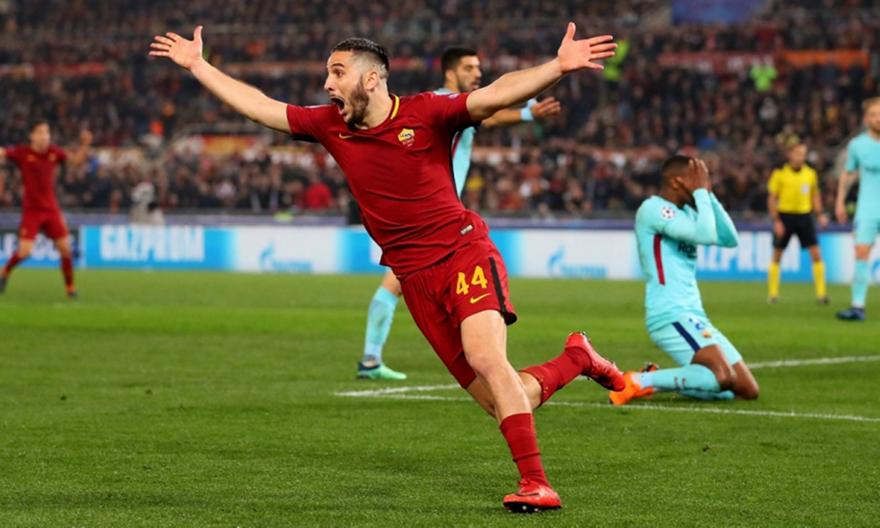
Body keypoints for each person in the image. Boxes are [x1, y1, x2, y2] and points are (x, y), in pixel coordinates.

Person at [150, 23, 623, 512]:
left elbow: (495, 94)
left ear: (372, 79)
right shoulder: (328, 125)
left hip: (462, 252)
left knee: (485, 356)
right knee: (501, 397)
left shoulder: (427, 112)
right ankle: (577, 358)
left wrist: (557, 66)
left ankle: (536, 484)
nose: (328, 84)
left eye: (338, 73)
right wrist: (199, 65)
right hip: (413, 278)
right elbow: (261, 106)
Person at [358, 46, 562, 381]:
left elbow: (488, 115)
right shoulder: (441, 102)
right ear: (450, 73)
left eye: (479, 67)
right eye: (469, 68)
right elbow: (490, 113)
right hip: (427, 218)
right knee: (395, 284)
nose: (477, 73)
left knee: (397, 283)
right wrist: (528, 114)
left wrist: (527, 114)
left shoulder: (451, 105)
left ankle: (373, 358)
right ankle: (371, 358)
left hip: (432, 216)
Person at [611, 156, 759, 405]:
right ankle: (637, 381)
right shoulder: (654, 209)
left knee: (746, 389)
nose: (702, 184)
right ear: (676, 182)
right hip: (670, 313)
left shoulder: (688, 212)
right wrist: (701, 193)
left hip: (694, 315)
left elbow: (730, 238)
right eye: (696, 180)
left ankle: (658, 379)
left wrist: (707, 194)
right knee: (722, 377)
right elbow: (705, 235)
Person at [0, 122, 92, 298]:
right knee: (25, 251)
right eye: (41, 132)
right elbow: (3, 153)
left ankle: (70, 288)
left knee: (65, 249)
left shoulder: (54, 153)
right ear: (32, 136)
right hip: (32, 210)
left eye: (47, 132)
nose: (45, 136)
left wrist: (85, 144)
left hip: (51, 209)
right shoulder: (23, 153)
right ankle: (4, 271)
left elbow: (76, 161)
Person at [766, 137, 828, 304]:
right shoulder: (780, 173)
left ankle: (821, 295)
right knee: (777, 255)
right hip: (785, 217)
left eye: (803, 154)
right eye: (798, 153)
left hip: (804, 216)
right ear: (790, 155)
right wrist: (776, 221)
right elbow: (772, 198)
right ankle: (773, 294)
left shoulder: (810, 174)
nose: (801, 157)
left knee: (816, 254)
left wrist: (820, 214)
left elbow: (815, 196)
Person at [835, 97, 880, 322]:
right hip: (868, 208)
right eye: (874, 114)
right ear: (866, 118)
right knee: (861, 253)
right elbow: (847, 174)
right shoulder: (857, 145)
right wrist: (840, 201)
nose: (878, 118)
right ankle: (857, 306)